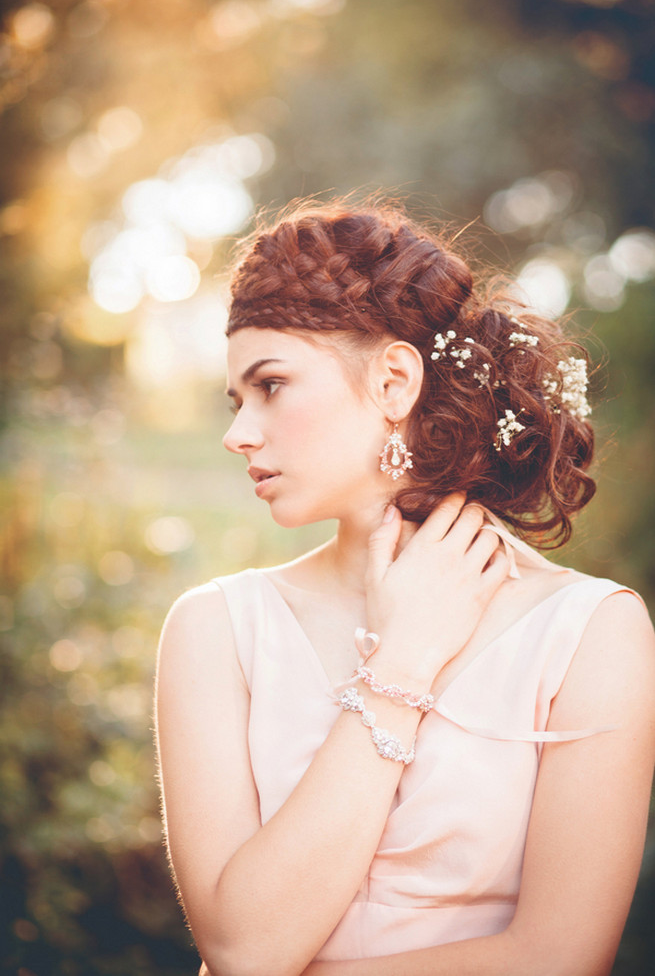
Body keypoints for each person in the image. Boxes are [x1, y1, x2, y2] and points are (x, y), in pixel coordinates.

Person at [155, 198, 655, 976]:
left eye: (271, 385)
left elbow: (561, 957)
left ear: (393, 381)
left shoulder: (590, 631)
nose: (237, 433)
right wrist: (401, 664)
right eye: (236, 399)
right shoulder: (214, 628)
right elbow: (243, 950)